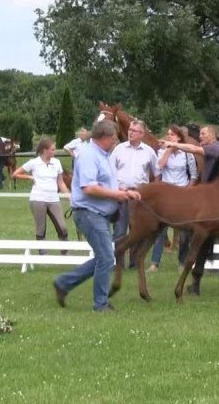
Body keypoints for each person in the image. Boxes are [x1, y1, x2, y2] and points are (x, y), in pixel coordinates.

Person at [52, 120, 142, 312]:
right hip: (89, 213)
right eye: (114, 139)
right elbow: (89, 188)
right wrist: (118, 195)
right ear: (105, 138)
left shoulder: (104, 155)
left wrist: (124, 190)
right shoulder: (88, 156)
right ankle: (100, 304)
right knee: (107, 259)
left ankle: (64, 283)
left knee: (105, 257)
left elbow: (106, 183)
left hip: (98, 214)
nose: (115, 142)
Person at [110, 118, 159, 268]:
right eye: (130, 130)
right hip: (121, 194)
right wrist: (115, 189)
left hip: (139, 196)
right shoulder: (119, 149)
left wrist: (152, 193)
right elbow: (110, 171)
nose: (131, 133)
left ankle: (134, 263)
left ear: (142, 134)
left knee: (137, 231)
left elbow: (157, 174)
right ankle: (117, 263)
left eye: (135, 131)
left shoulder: (149, 152)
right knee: (119, 229)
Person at [148, 125, 198, 272]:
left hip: (182, 192)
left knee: (184, 231)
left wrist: (188, 190)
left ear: (179, 138)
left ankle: (182, 263)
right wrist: (169, 150)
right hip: (166, 193)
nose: (168, 136)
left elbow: (194, 175)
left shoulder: (187, 153)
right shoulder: (162, 151)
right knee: (160, 229)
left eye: (172, 135)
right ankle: (154, 263)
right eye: (168, 134)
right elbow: (160, 166)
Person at [12, 137, 70, 255]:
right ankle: (42, 252)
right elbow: (15, 174)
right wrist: (29, 177)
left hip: (54, 199)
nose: (54, 152)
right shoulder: (34, 163)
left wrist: (69, 196)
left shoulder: (57, 163)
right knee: (41, 227)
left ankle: (65, 251)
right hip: (37, 199)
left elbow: (60, 182)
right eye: (52, 149)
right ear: (44, 150)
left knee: (62, 227)